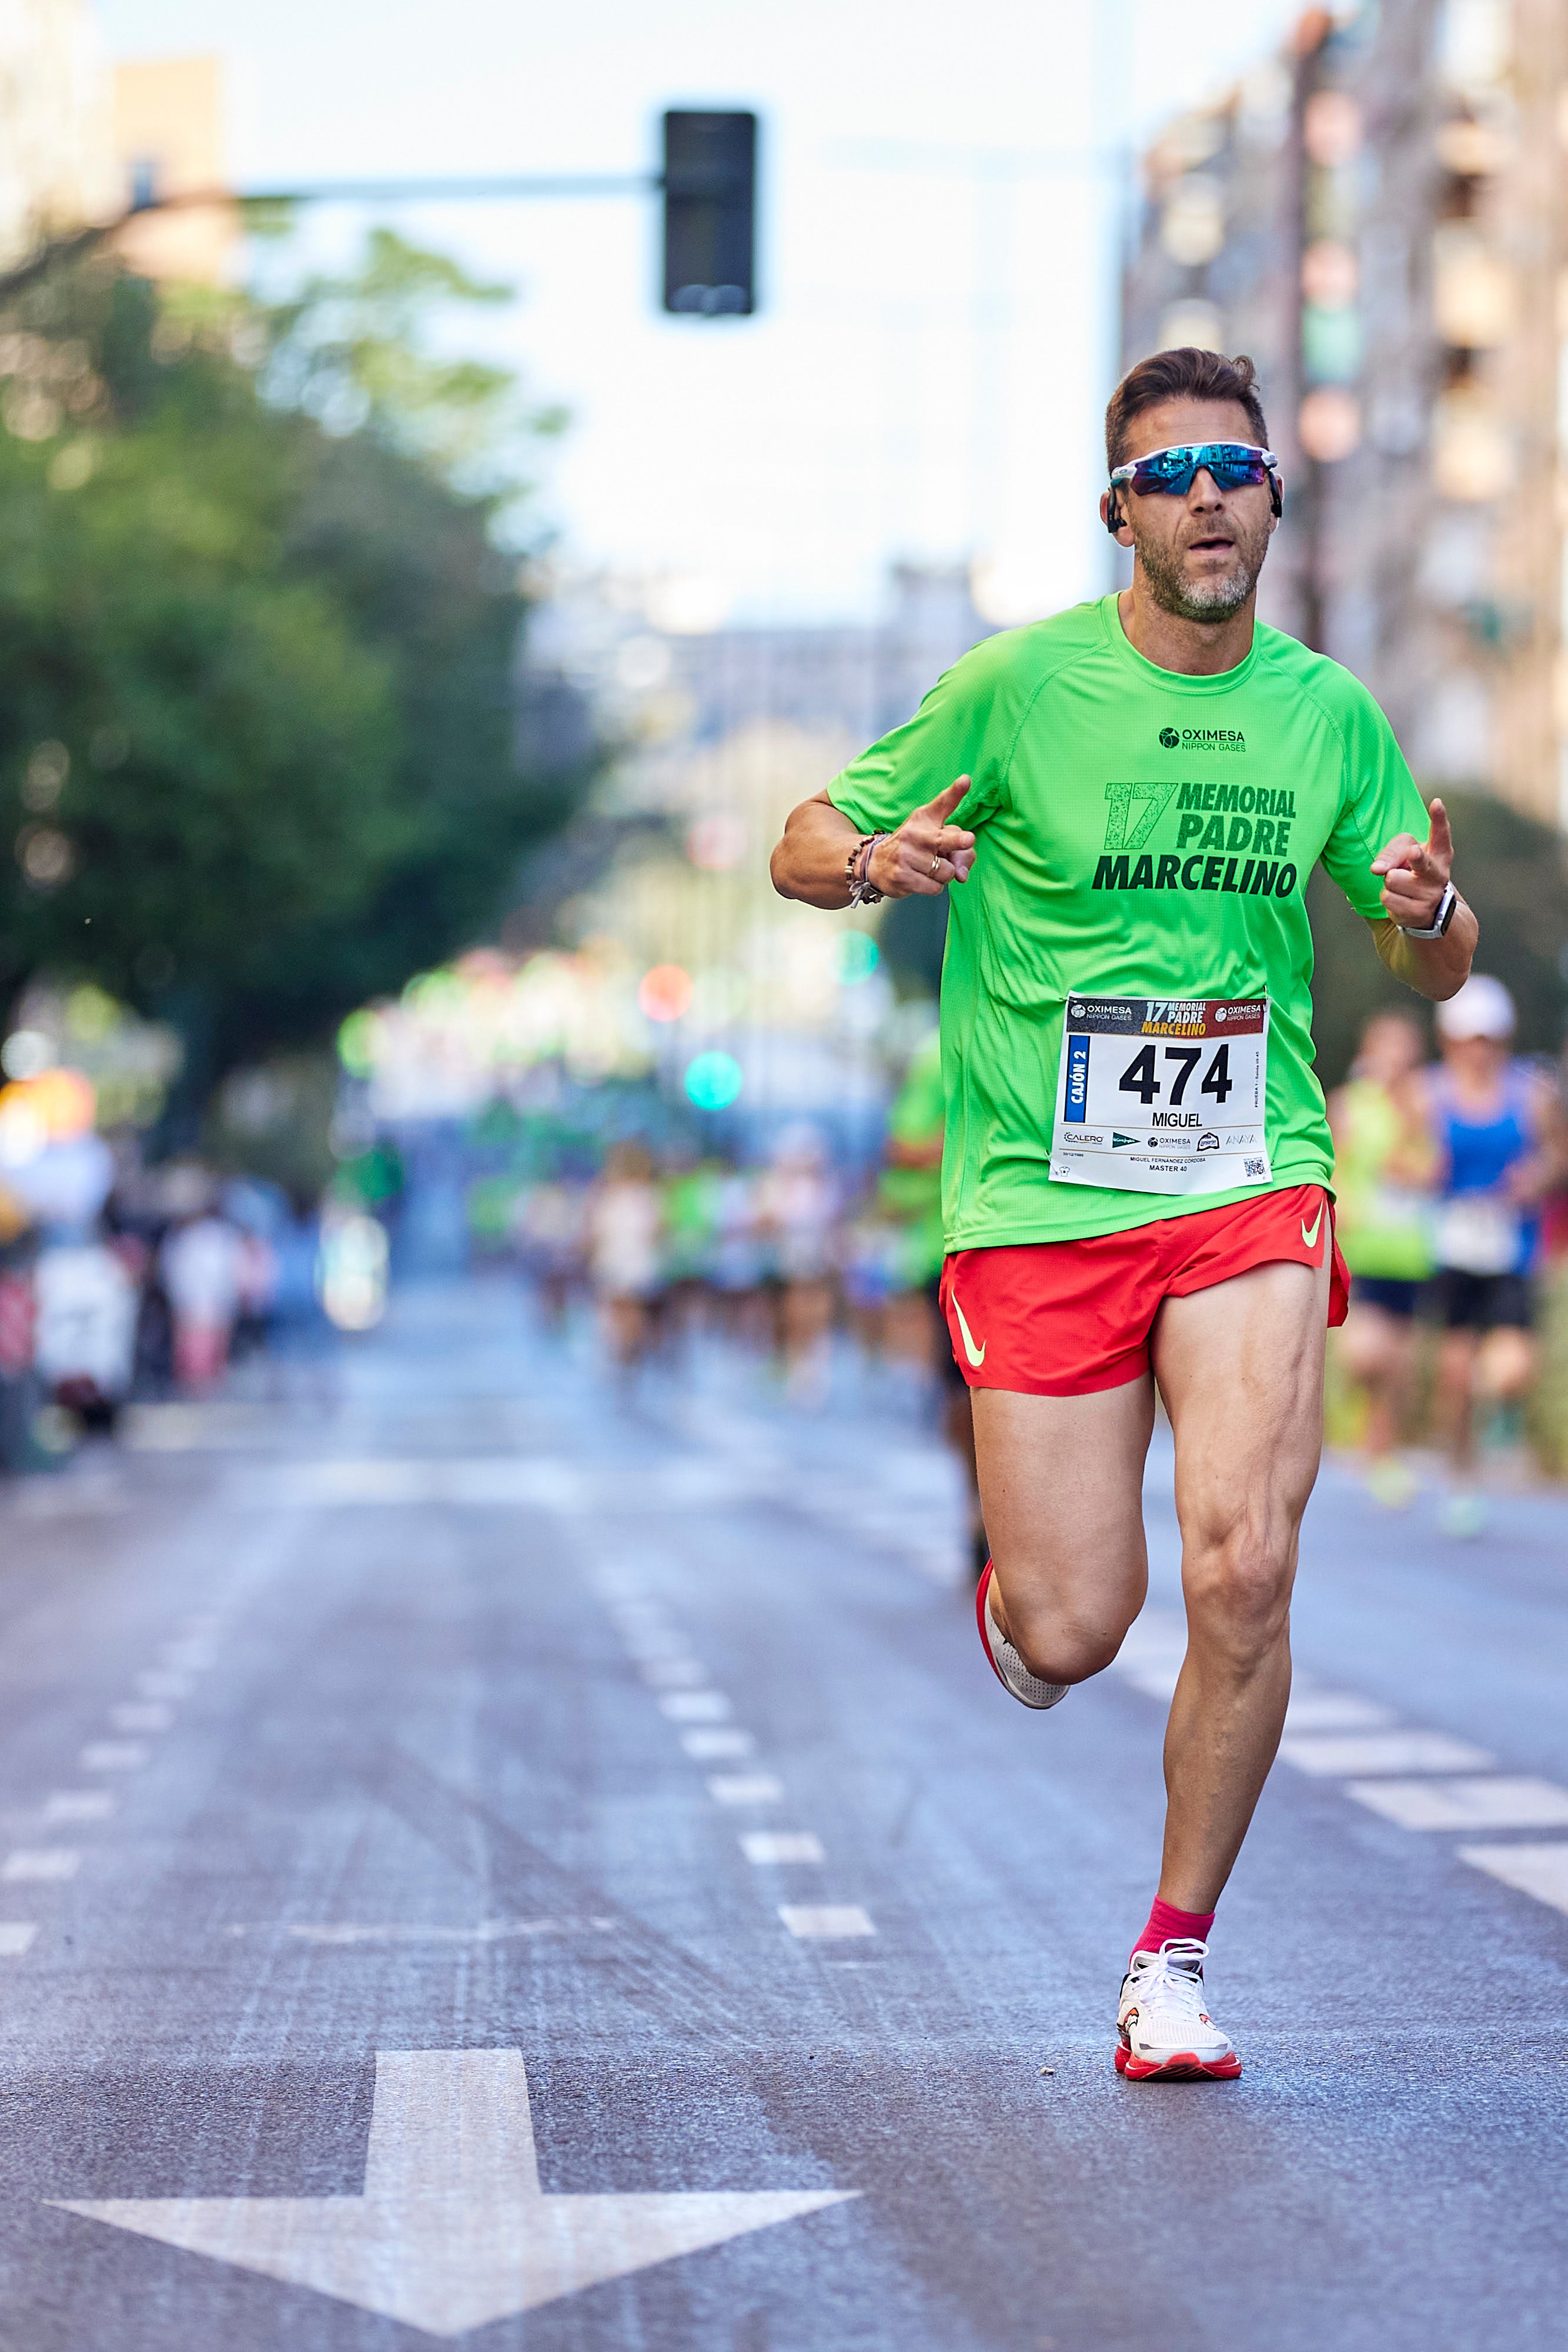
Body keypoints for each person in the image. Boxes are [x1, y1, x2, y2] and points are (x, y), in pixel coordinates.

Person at [770, 345, 1476, 2082]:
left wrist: (1430, 902)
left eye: (1235, 467)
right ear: (1118, 512)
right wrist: (870, 862)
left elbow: (1432, 954)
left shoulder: (1327, 712)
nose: (1208, 495)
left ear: (1274, 500)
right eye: (1171, 474)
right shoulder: (1014, 689)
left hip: (1250, 1172)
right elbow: (797, 836)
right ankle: (1026, 1598)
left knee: (1245, 1560)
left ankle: (1172, 1957)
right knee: (1078, 1624)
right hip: (1039, 1190)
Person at [1425, 975, 1565, 1535]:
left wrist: (1536, 1179)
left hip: (1511, 1248)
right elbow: (1402, 1158)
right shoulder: (1429, 1094)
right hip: (1451, 1248)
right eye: (1467, 1038)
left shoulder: (1530, 1094)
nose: (1478, 1049)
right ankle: (1461, 1478)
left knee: (1508, 1371)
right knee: (1456, 1376)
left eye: (1487, 1038)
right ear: (1450, 1040)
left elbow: (1557, 1156)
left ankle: (1496, 1420)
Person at [880, 1027, 987, 1576]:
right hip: (952, 1248)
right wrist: (980, 1138)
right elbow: (902, 1146)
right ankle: (979, 1503)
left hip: (1051, 1242)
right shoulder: (937, 1051)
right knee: (963, 1398)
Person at [1328, 1009, 1437, 1505]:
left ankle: (1382, 1450)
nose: (1395, 1059)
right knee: (1364, 1354)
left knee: (1397, 1362)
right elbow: (1330, 1163)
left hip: (1407, 1250)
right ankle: (1357, 1425)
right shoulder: (1349, 1105)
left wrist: (1411, 1162)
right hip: (1363, 1246)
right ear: (1370, 1051)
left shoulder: (1420, 1106)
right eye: (1386, 1048)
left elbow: (1434, 1170)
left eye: (1403, 1049)